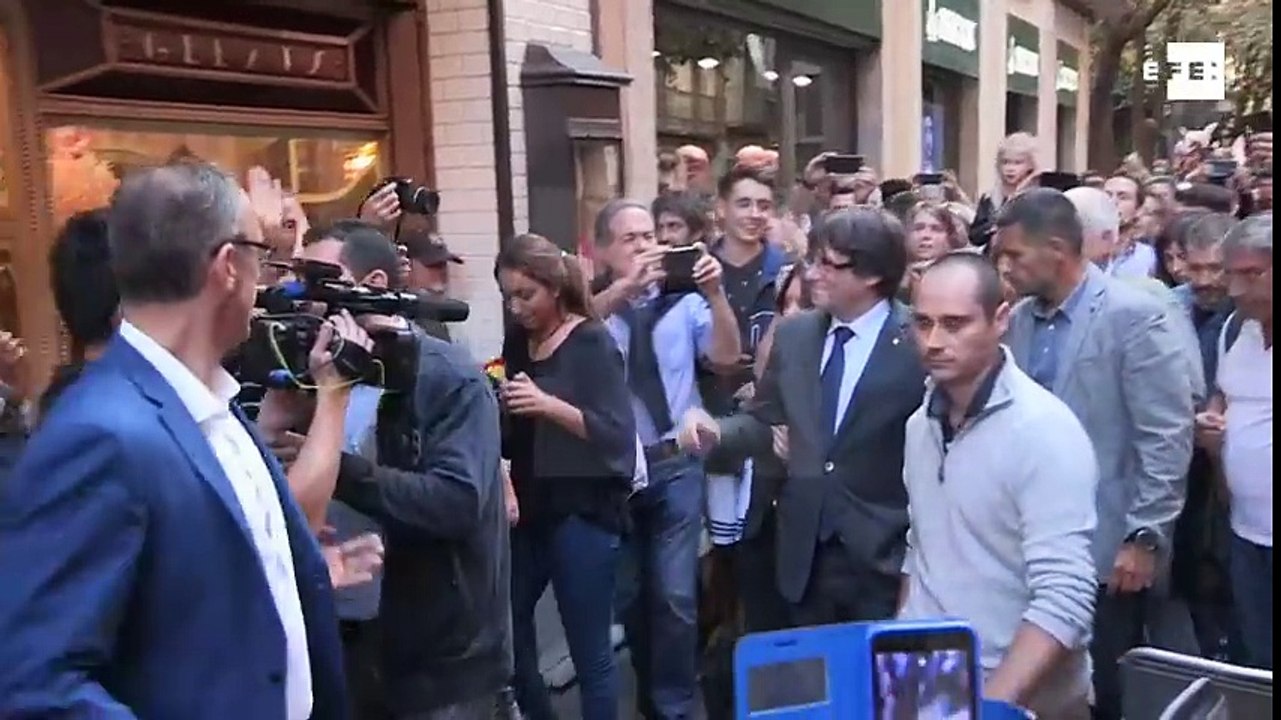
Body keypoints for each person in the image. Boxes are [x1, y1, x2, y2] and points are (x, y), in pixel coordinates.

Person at [0, 162, 350, 718]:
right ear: (229, 267)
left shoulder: (219, 409)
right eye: (264, 256)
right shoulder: (97, 433)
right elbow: (34, 682)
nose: (267, 281)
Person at [996, 189, 1195, 720]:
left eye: (1015, 255)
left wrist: (1145, 535)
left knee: (1105, 693)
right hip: (1029, 545)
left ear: (1058, 249)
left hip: (1108, 549)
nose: (1005, 267)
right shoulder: (1017, 322)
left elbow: (1165, 435)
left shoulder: (1135, 317)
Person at [300, 222, 513, 718]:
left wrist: (342, 470)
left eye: (320, 284)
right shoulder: (307, 368)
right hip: (343, 638)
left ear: (372, 285)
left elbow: (456, 503)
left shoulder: (446, 377)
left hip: (441, 662)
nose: (308, 302)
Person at [679, 208, 927, 627]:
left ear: (871, 276)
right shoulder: (796, 336)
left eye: (828, 264)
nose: (812, 274)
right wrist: (715, 430)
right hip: (802, 560)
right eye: (812, 261)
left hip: (881, 563)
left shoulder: (917, 344)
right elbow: (764, 420)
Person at [900, 253, 1097, 719]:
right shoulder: (920, 424)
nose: (933, 341)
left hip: (1024, 698)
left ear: (1000, 319)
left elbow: (1065, 597)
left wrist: (990, 708)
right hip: (929, 686)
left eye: (954, 324)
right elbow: (921, 551)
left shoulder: (1044, 431)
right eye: (922, 323)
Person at [590, 198, 740, 720]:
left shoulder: (684, 300)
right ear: (604, 251)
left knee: (675, 596)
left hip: (676, 462)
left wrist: (716, 295)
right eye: (629, 239)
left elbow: (724, 358)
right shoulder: (593, 306)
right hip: (615, 473)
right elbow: (565, 340)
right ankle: (651, 693)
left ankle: (674, 707)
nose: (644, 245)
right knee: (631, 596)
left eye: (649, 235)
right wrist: (621, 292)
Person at [497, 234, 636, 720]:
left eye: (525, 295)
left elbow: (616, 435)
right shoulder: (518, 342)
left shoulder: (592, 342)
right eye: (508, 296)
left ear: (554, 288)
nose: (517, 307)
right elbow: (515, 431)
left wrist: (549, 406)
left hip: (584, 507)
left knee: (589, 651)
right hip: (531, 506)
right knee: (508, 630)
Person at [1196, 212, 1273, 670]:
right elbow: (1223, 395)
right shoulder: (1235, 330)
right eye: (1234, 275)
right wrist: (1212, 426)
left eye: (1254, 275)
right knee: (1257, 660)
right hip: (1245, 532)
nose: (1239, 289)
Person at [400, 228, 465, 342]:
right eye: (433, 265)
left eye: (444, 265)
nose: (442, 272)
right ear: (407, 267)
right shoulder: (401, 321)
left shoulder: (445, 315)